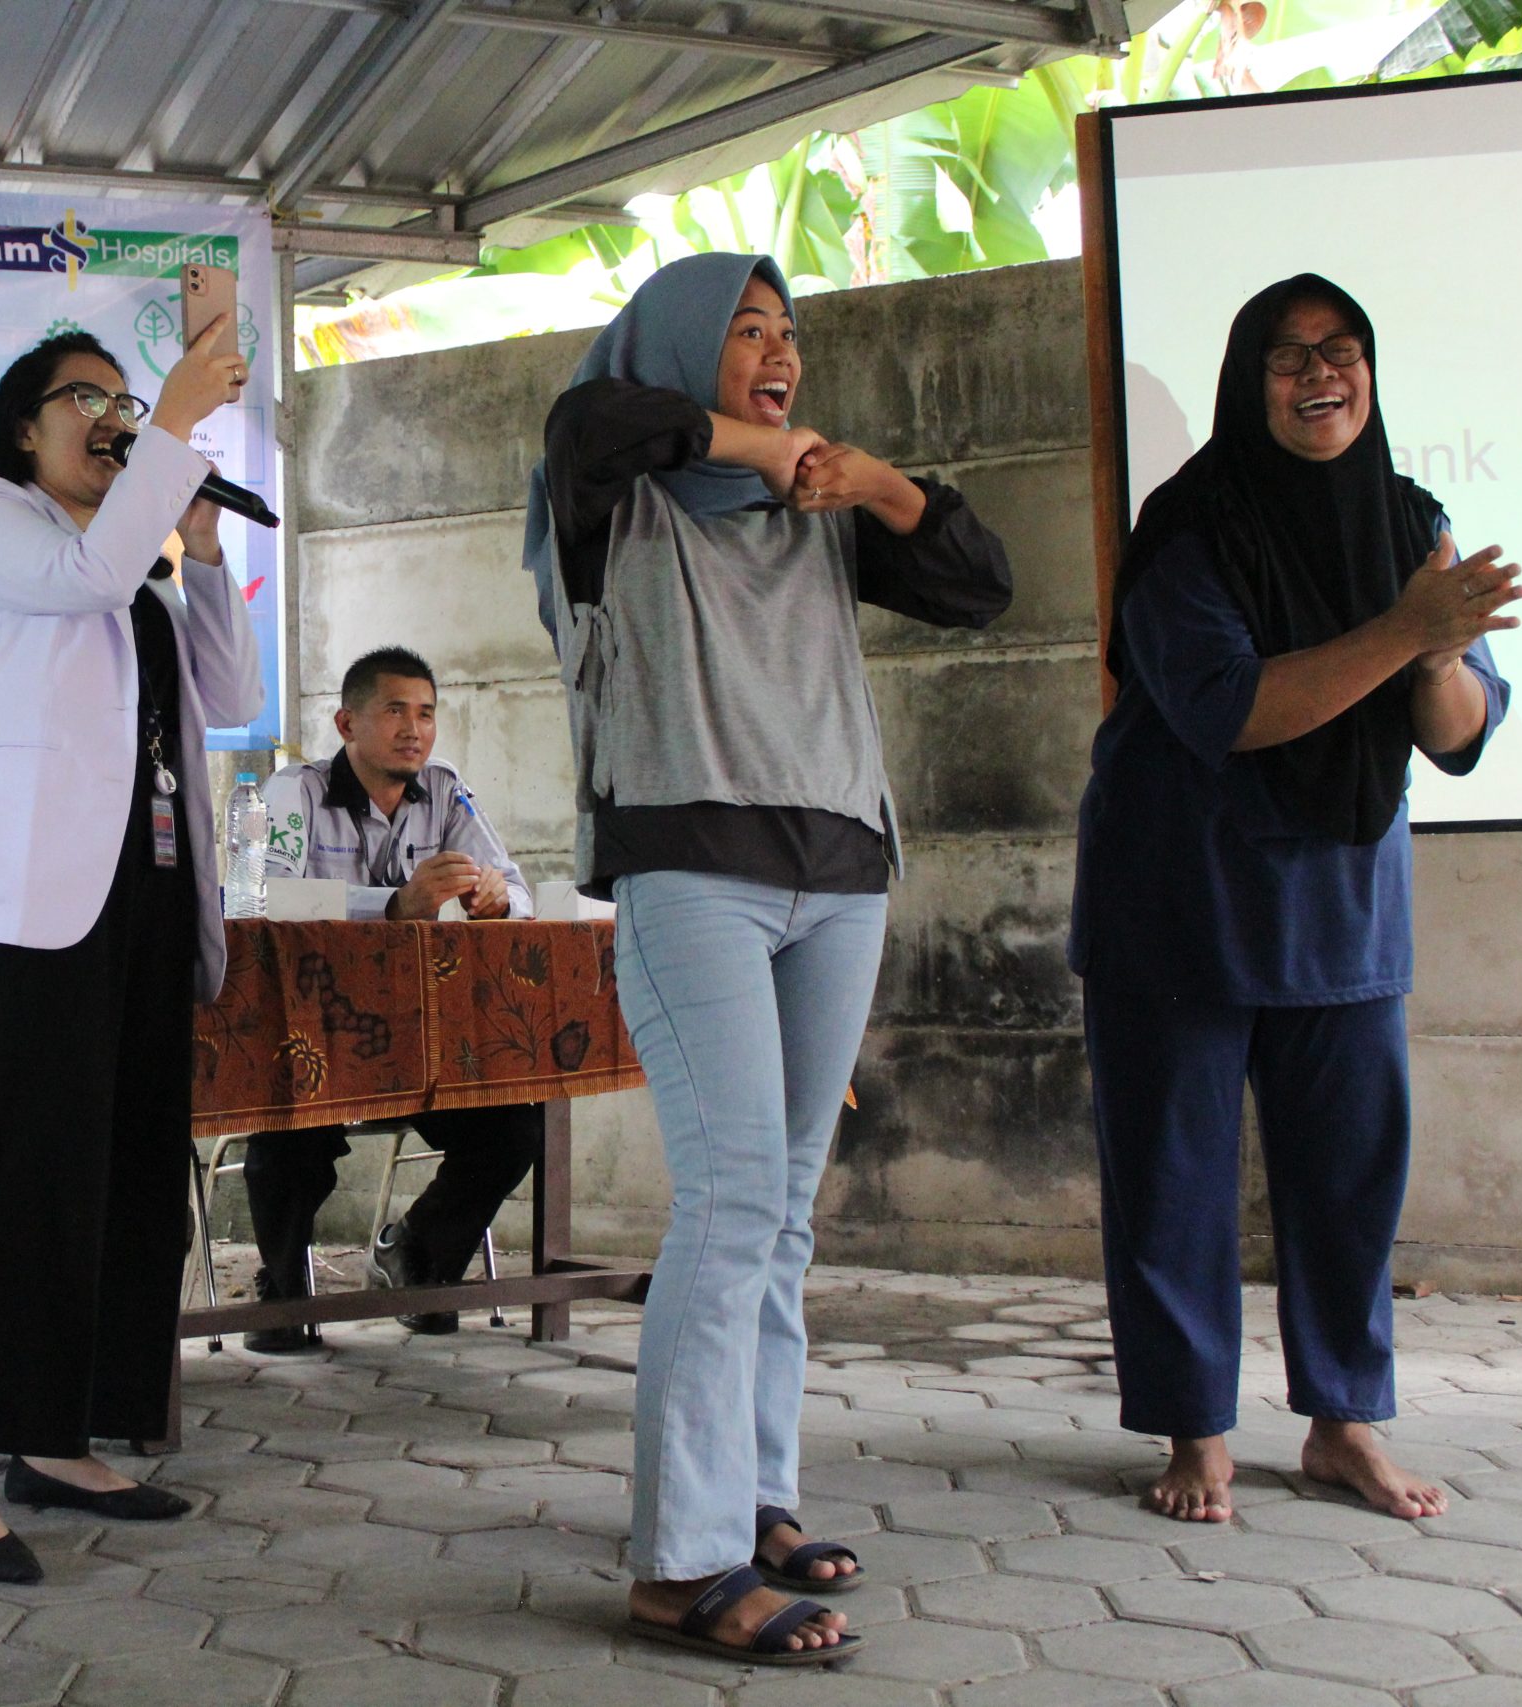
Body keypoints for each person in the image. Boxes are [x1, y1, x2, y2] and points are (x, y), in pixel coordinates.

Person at [527, 252, 1010, 1663]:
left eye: (788, 332)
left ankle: (753, 1490)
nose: (777, 350)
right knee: (733, 1200)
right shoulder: (616, 500)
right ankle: (682, 1563)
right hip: (694, 875)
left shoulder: (821, 513)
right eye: (743, 332)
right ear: (684, 351)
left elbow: (980, 583)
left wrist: (871, 483)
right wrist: (762, 444)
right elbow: (587, 423)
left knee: (784, 1210)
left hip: (840, 872)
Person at [1070, 275, 1517, 1525]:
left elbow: (1460, 727)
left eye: (1340, 352)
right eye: (1285, 356)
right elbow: (1234, 709)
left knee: (1349, 1180)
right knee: (1173, 1178)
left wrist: (1433, 649)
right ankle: (1194, 1434)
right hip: (1182, 899)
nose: (1317, 376)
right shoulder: (1187, 527)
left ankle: (1341, 1423)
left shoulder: (1409, 519)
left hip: (1344, 907)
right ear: (1243, 378)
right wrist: (1403, 626)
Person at [0, 318, 260, 1583]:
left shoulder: (133, 567)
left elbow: (232, 687)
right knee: (13, 1175)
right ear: (23, 426)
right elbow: (86, 582)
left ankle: (56, 1435)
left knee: (126, 1170)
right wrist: (172, 429)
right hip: (22, 903)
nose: (111, 414)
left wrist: (201, 548)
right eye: (83, 397)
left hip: (143, 898)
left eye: (123, 396)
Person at [241, 644, 539, 1352]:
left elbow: (520, 889)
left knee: (515, 1126)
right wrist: (393, 905)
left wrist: (497, 900)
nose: (415, 730)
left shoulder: (446, 788)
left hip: (423, 1040)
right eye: (395, 711)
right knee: (287, 1133)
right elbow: (266, 898)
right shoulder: (296, 791)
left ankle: (415, 1259)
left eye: (427, 713)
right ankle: (283, 1296)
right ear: (347, 722)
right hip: (315, 1034)